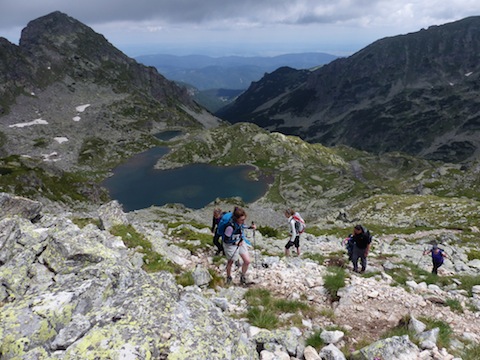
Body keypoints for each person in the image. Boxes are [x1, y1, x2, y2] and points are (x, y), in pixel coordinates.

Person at [222, 207, 256, 285]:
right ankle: (228, 277)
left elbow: (243, 226)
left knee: (247, 261)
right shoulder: (230, 227)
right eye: (242, 220)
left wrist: (251, 227)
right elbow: (226, 240)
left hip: (240, 241)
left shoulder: (239, 223)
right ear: (236, 218)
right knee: (230, 261)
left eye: (244, 219)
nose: (243, 221)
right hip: (231, 245)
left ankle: (242, 276)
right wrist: (235, 244)